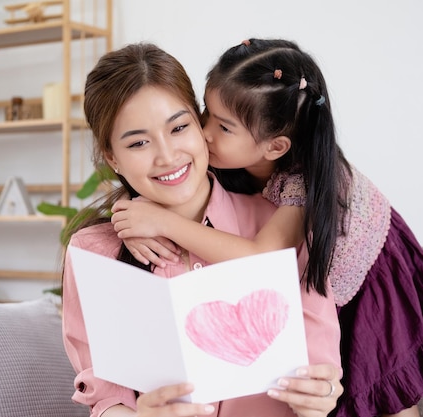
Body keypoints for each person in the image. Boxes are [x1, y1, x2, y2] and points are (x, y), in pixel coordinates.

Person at [110, 39, 423, 417]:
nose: (205, 132)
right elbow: (165, 184)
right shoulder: (240, 162)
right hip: (317, 276)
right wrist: (128, 206)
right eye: (205, 114)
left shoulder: (303, 184)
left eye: (224, 127)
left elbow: (261, 258)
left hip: (371, 274)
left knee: (383, 386)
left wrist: (165, 222)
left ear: (275, 147)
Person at [62, 42, 343, 417]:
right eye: (139, 142)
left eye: (179, 127)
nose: (167, 156)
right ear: (112, 157)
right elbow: (104, 396)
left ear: (200, 124)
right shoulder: (93, 251)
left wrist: (320, 395)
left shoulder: (280, 227)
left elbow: (322, 371)